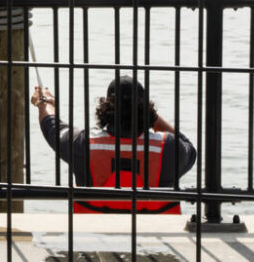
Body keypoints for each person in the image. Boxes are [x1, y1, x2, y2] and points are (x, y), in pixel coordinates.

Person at [31, 76, 197, 214]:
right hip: (157, 244)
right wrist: (148, 114)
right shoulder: (167, 147)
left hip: (93, 240)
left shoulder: (84, 143)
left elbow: (52, 127)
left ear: (105, 108)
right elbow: (189, 148)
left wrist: (45, 103)